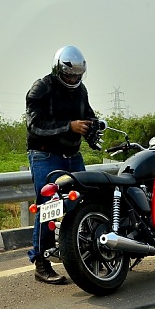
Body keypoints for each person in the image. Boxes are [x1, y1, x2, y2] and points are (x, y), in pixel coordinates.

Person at [25, 45, 99, 284]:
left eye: (77, 76)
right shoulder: (41, 88)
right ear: (58, 69)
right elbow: (34, 126)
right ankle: (41, 262)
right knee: (49, 206)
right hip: (46, 155)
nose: (73, 79)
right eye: (69, 75)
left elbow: (88, 114)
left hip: (72, 155)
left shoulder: (81, 90)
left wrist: (92, 126)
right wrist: (69, 126)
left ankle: (87, 253)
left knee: (84, 200)